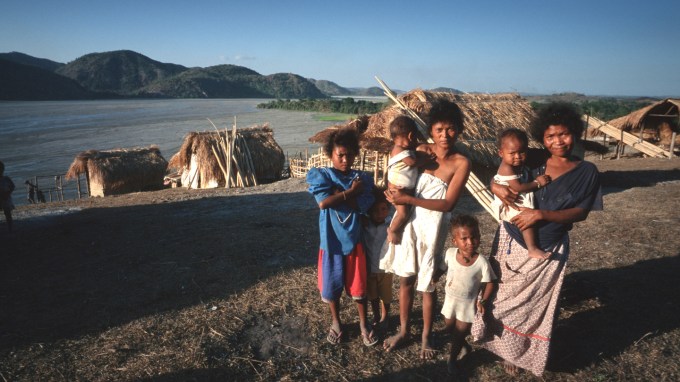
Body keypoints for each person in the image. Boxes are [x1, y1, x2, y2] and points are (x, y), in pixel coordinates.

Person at [471, 102, 603, 376]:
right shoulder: (533, 158)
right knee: (504, 294)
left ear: (575, 134)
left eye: (563, 134)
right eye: (550, 136)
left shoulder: (586, 171)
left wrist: (539, 214)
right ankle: (503, 345)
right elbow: (504, 164)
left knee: (536, 304)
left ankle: (523, 351)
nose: (557, 141)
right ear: (542, 138)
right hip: (512, 237)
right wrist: (496, 186)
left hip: (551, 243)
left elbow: (580, 213)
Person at [380, 100, 471, 359]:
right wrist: (392, 192)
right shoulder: (420, 151)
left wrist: (407, 200)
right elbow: (398, 173)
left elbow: (448, 203)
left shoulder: (461, 162)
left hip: (434, 227)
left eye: (451, 129)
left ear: (459, 130)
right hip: (410, 224)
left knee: (428, 283)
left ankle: (426, 335)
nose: (444, 135)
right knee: (406, 278)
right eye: (439, 129)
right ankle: (405, 330)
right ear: (430, 130)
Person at [306, 127, 378, 347]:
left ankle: (364, 324)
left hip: (354, 241)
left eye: (349, 155)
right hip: (330, 242)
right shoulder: (322, 176)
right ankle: (336, 322)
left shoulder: (363, 178)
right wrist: (351, 192)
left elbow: (362, 206)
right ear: (331, 155)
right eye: (340, 155)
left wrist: (339, 195)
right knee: (331, 285)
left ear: (356, 154)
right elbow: (323, 203)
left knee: (359, 288)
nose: (345, 160)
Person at [438, 215, 496, 375]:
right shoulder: (450, 253)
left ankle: (452, 358)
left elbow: (490, 282)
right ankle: (464, 346)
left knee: (458, 334)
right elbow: (444, 267)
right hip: (450, 300)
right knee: (450, 327)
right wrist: (436, 276)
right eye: (464, 238)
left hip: (467, 305)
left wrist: (483, 300)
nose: (470, 242)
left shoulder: (481, 262)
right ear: (454, 241)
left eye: (474, 237)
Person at [492, 128, 552, 260]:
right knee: (526, 221)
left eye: (522, 152)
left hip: (515, 198)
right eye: (512, 153)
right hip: (510, 202)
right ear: (501, 153)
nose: (518, 156)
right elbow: (518, 187)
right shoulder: (507, 168)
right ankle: (532, 248)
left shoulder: (517, 164)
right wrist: (538, 183)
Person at [385, 115, 431, 245]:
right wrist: (425, 159)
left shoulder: (401, 149)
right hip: (397, 189)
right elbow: (412, 162)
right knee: (403, 213)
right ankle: (392, 230)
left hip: (400, 188)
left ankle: (398, 230)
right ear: (411, 136)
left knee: (405, 213)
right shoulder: (400, 151)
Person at [362, 190, 393, 333]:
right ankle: (376, 315)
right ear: (369, 211)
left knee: (385, 294)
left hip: (386, 268)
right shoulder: (365, 224)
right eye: (375, 210)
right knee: (373, 295)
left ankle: (385, 316)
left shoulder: (391, 224)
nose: (380, 213)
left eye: (383, 209)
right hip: (369, 268)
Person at [0, 161, 16, 233]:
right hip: (4, 197)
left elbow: (12, 186)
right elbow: (12, 186)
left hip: (6, 198)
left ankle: (10, 228)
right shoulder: (6, 178)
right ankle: (10, 228)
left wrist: (7, 193)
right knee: (7, 213)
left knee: (8, 214)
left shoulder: (6, 178)